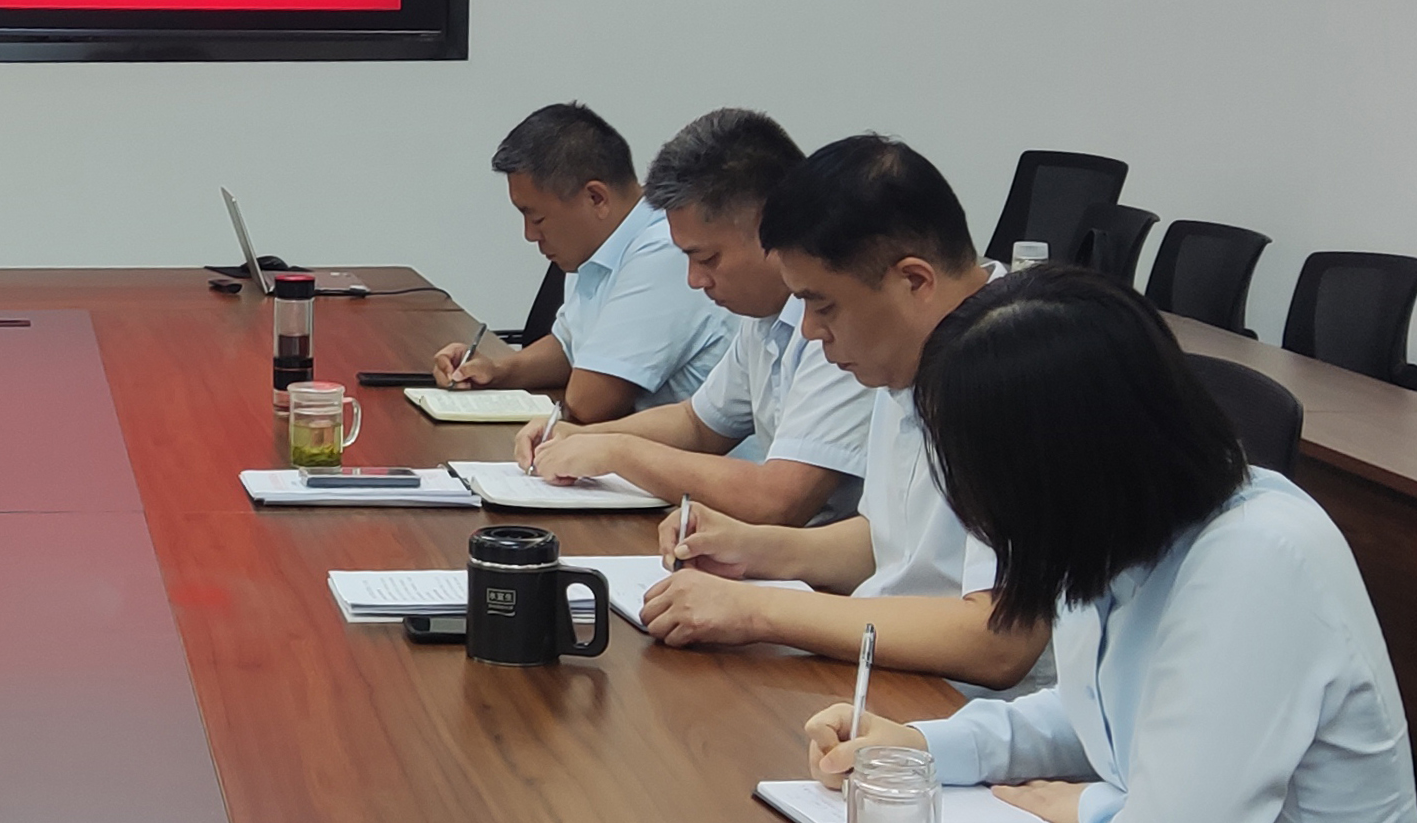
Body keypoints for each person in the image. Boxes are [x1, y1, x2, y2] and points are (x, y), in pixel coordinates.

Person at [806, 266, 1417, 823]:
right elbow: (1090, 709)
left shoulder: (1257, 559)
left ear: (1060, 467)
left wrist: (1087, 805)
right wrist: (922, 749)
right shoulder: (1117, 533)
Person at [637, 134, 1049, 689]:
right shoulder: (914, 352)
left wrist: (757, 611)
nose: (809, 330)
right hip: (900, 680)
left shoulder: (1025, 373)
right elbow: (888, 542)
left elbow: (998, 640)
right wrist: (752, 549)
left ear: (913, 281)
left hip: (976, 713)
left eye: (823, 305)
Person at [507, 109, 867, 524]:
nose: (695, 280)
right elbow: (698, 423)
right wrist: (581, 437)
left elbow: (779, 499)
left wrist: (619, 452)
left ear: (772, 228)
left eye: (707, 259)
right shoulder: (764, 315)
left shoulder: (839, 324)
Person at [433, 102, 732, 422]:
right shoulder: (596, 247)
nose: (529, 234)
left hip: (694, 450)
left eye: (537, 218)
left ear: (595, 198)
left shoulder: (666, 250)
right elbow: (569, 347)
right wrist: (496, 371)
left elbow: (590, 402)